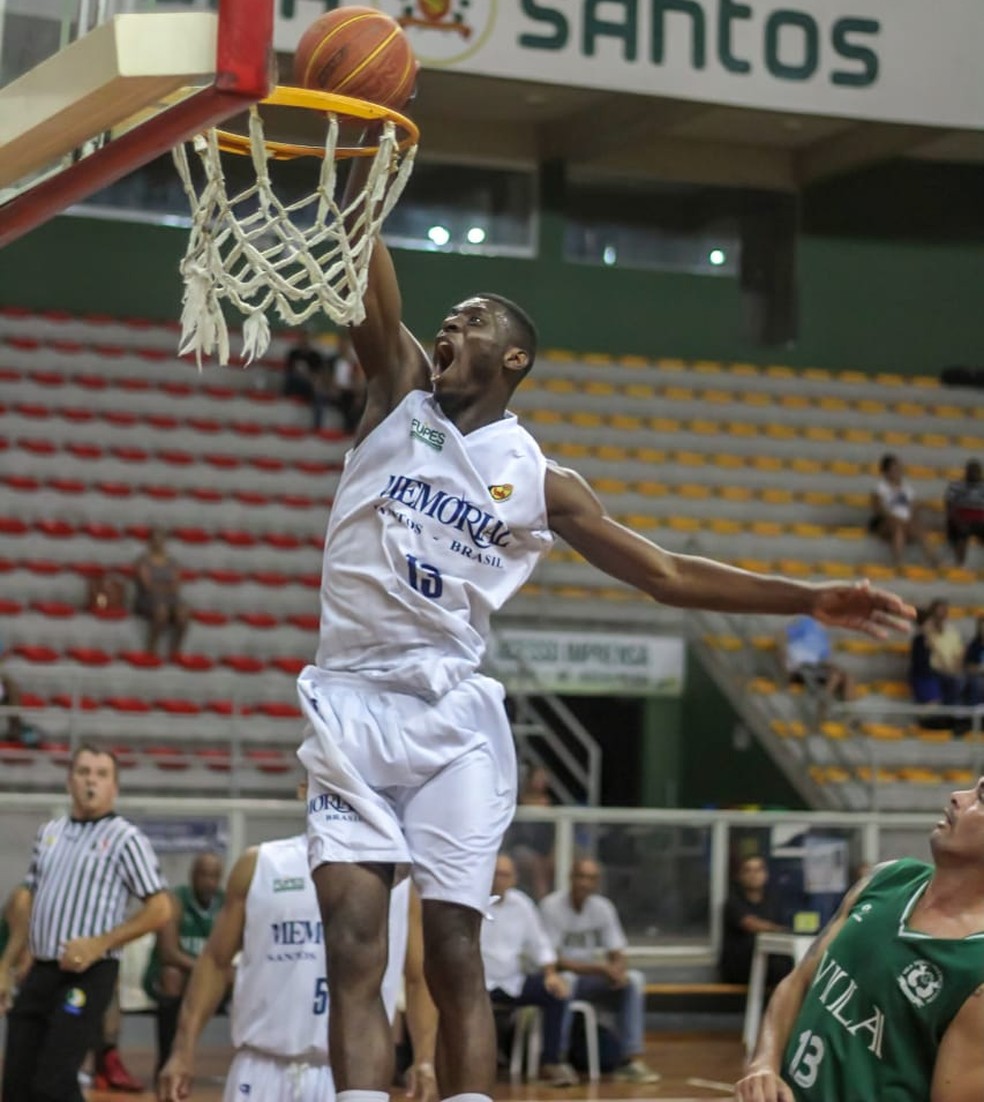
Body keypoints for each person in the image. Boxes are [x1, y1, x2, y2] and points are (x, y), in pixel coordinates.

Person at [294, 151, 914, 1102]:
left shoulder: (540, 480)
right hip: (349, 701)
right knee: (351, 940)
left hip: (451, 717)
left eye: (474, 322)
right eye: (448, 317)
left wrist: (806, 597)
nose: (450, 325)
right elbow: (359, 271)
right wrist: (352, 185)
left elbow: (665, 574)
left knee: (457, 950)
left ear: (514, 360)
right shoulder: (398, 395)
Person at [736, 780, 984, 1101]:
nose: (957, 797)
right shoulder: (887, 879)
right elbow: (798, 983)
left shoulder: (977, 970)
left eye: (982, 797)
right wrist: (763, 1064)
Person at [157, 833, 437, 1102]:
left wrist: (425, 1058)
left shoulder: (397, 878)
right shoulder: (261, 864)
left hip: (353, 1073)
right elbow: (215, 962)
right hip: (262, 1065)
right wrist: (183, 1048)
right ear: (305, 789)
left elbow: (418, 977)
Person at [0, 744, 171, 1102]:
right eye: (84, 772)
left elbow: (160, 908)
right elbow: (26, 900)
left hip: (88, 973)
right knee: (16, 1081)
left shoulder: (126, 838)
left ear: (114, 787)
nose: (91, 781)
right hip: (41, 970)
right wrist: (6, 963)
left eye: (101, 774)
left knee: (53, 1081)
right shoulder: (50, 833)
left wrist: (100, 943)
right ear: (69, 781)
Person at [538, 857, 659, 1083]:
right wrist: (601, 969)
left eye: (591, 878)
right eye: (581, 876)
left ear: (597, 882)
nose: (585, 883)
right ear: (570, 878)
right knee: (567, 980)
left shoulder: (603, 908)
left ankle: (629, 1058)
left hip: (594, 978)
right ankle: (559, 1058)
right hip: (564, 976)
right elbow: (552, 960)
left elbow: (617, 949)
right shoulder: (551, 906)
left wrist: (617, 970)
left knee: (634, 980)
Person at [481, 853, 577, 1086]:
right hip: (479, 983)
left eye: (504, 874)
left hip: (512, 980)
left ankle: (550, 1062)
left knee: (555, 992)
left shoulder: (522, 904)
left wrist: (551, 973)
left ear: (514, 879)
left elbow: (539, 944)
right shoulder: (474, 902)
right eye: (494, 873)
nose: (499, 879)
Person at [143, 852, 226, 1075]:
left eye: (215, 876)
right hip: (172, 974)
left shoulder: (226, 903)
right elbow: (168, 953)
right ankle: (167, 1060)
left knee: (243, 978)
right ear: (192, 876)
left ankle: (250, 1065)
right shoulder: (175, 900)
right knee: (172, 976)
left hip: (209, 977)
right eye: (204, 875)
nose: (209, 882)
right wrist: (205, 970)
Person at [719, 854, 790, 987]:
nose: (753, 875)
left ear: (766, 874)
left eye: (758, 870)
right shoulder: (733, 901)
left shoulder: (773, 901)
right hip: (740, 968)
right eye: (748, 870)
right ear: (740, 876)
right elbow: (750, 924)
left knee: (787, 965)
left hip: (768, 964)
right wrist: (778, 929)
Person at [869, 453, 939, 569]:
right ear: (886, 471)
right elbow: (878, 509)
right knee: (898, 527)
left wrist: (915, 512)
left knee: (919, 529)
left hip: (905, 521)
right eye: (894, 469)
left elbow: (913, 507)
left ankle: (933, 560)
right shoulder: (880, 488)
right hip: (887, 522)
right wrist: (893, 517)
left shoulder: (906, 488)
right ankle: (898, 561)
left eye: (898, 468)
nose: (898, 471)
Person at [775, 616, 855, 715]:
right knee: (835, 676)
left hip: (815, 669)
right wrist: (785, 661)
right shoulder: (806, 623)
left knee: (847, 677)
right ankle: (822, 709)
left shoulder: (823, 637)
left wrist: (832, 666)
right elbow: (781, 635)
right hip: (801, 667)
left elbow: (823, 660)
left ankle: (849, 713)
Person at [134, 528, 189, 658]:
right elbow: (147, 586)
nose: (158, 543)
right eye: (155, 540)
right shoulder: (143, 561)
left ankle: (175, 650)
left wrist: (159, 586)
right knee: (161, 612)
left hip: (170, 598)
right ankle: (151, 648)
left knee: (183, 612)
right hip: (148, 598)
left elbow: (176, 586)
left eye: (161, 540)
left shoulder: (173, 562)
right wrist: (165, 587)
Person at [910, 599, 966, 707]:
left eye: (944, 614)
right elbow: (922, 664)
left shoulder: (952, 634)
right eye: (937, 615)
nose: (941, 618)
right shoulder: (921, 639)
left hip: (950, 674)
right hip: (929, 675)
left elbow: (958, 656)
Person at [944, 459, 984, 566]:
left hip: (980, 519)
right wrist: (958, 521)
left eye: (977, 472)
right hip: (961, 518)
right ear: (966, 472)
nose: (974, 474)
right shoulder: (956, 486)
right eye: (972, 471)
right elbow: (950, 507)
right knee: (962, 531)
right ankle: (959, 564)